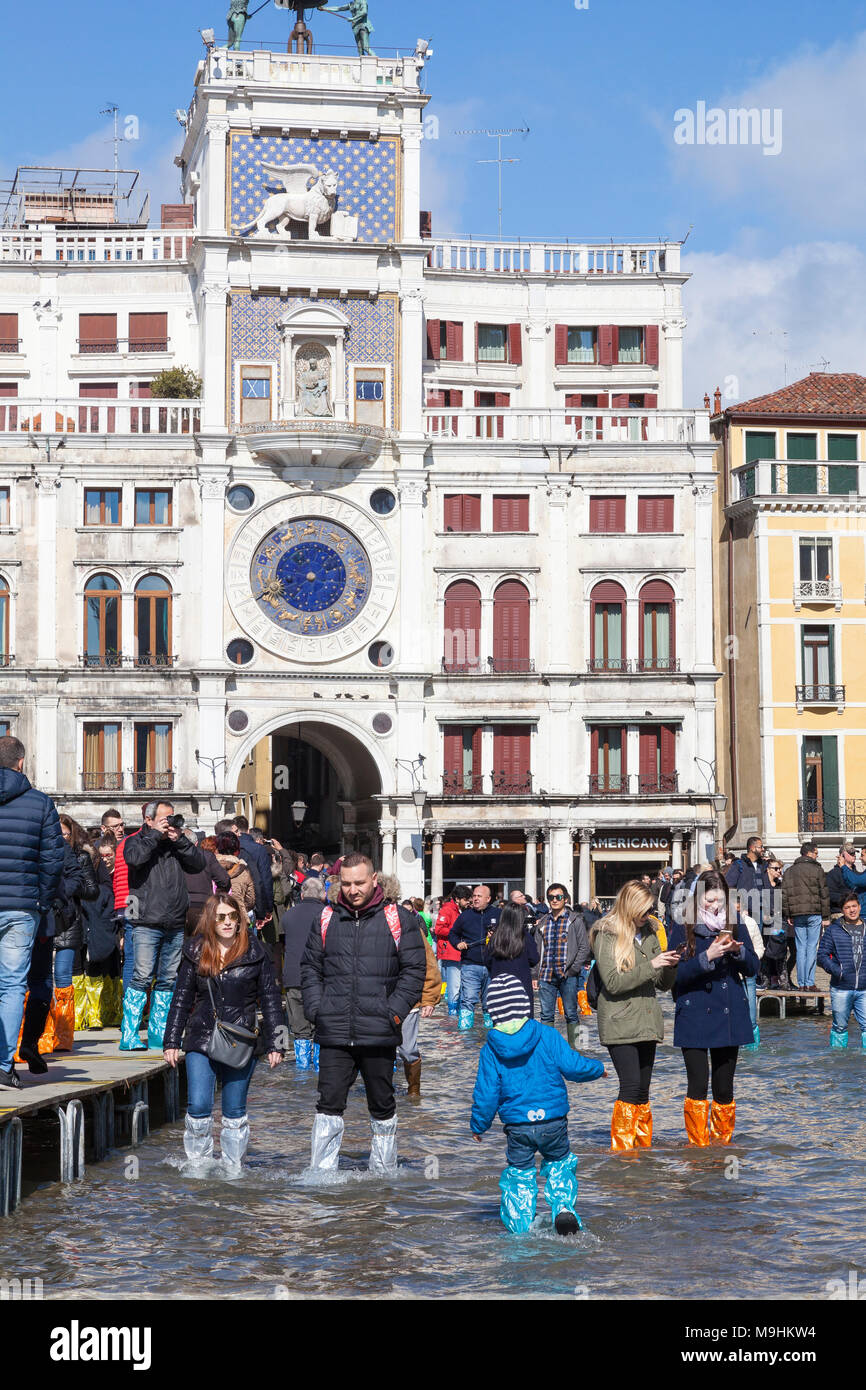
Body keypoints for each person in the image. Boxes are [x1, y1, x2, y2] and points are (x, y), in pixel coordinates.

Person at [300, 853, 426, 1174]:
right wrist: (317, 1010)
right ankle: (321, 1177)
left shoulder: (399, 919)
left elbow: (414, 972)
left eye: (359, 883)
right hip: (334, 1030)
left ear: (374, 880)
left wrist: (394, 1013)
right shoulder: (326, 917)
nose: (353, 889)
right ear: (338, 882)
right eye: (346, 883)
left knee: (382, 1105)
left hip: (380, 1030)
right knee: (328, 1106)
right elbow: (310, 968)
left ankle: (383, 1176)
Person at [470, 973, 606, 1235]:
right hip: (553, 1121)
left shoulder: (491, 1049)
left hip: (518, 1127)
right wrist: (597, 1069)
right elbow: (572, 1065)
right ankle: (564, 1208)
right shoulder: (547, 1034)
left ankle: (520, 1225)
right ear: (525, 1005)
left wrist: (478, 1126)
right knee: (559, 1165)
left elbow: (486, 1094)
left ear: (492, 1011)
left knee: (520, 1175)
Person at [163, 894, 283, 1173]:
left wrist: (278, 1043)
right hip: (202, 1036)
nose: (227, 922)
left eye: (232, 917)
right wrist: (171, 1040)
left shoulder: (257, 952)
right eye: (221, 917)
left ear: (240, 920)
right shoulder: (194, 951)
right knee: (199, 1104)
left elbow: (271, 1000)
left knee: (234, 1110)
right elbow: (181, 998)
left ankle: (232, 1169)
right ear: (210, 921)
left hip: (242, 1040)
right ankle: (198, 1167)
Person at [667, 870, 760, 1145]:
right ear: (698, 899)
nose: (715, 906)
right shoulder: (682, 926)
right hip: (694, 1011)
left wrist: (738, 952)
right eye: (709, 901)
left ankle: (721, 1147)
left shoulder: (734, 922)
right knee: (697, 1083)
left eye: (719, 900)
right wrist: (705, 958)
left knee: (724, 1086)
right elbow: (674, 976)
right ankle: (698, 1148)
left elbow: (754, 968)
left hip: (729, 1011)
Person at [591, 881, 680, 1150]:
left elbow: (663, 985)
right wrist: (651, 964)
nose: (649, 914)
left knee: (643, 1091)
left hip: (647, 1019)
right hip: (619, 1021)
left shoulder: (651, 930)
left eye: (652, 909)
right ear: (630, 907)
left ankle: (643, 1150)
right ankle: (622, 1152)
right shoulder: (606, 933)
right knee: (630, 1087)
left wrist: (670, 965)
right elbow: (613, 982)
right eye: (645, 910)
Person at [0, 736, 65, 1089]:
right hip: (21, 907)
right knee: (12, 986)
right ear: (21, 763)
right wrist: (39, 901)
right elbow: (54, 859)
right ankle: (3, 1064)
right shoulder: (40, 804)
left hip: (21, 905)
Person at [121, 801, 206, 1051]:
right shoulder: (134, 841)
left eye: (171, 817)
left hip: (175, 921)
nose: (169, 822)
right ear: (149, 820)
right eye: (164, 818)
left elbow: (199, 863)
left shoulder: (176, 845)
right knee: (142, 977)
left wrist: (179, 839)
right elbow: (135, 859)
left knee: (168, 980)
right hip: (146, 921)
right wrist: (156, 836)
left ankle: (159, 1035)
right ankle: (129, 1036)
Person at [54, 816, 99, 1037]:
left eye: (65, 834)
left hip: (68, 920)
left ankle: (64, 1032)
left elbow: (92, 891)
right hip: (45, 918)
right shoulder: (41, 855)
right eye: (58, 833)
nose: (61, 838)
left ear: (72, 835)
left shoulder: (81, 858)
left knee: (63, 975)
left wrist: (69, 886)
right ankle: (43, 1030)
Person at [395, 890, 442, 1100]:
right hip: (376, 999)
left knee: (407, 1049)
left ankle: (414, 1091)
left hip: (409, 999)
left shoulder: (410, 925)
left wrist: (429, 998)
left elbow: (429, 962)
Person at [532, 884, 591, 1048]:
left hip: (568, 975)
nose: (555, 900)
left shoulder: (575, 920)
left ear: (565, 899)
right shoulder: (542, 922)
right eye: (551, 897)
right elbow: (537, 950)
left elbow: (584, 947)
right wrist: (534, 974)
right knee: (546, 1015)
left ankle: (579, 1048)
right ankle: (547, 1050)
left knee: (572, 1014)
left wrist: (573, 969)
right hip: (546, 975)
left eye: (558, 897)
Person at [282, 875, 327, 1069]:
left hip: (293, 976)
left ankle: (302, 1073)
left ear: (301, 894)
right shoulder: (327, 914)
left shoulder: (288, 915)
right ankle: (318, 1068)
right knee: (320, 1027)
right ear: (322, 895)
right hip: (320, 977)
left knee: (299, 1029)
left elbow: (282, 945)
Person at [80, 837, 123, 1029]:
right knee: (90, 969)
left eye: (109, 855)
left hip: (106, 927)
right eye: (102, 855)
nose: (106, 859)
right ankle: (92, 1014)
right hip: (90, 927)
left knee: (108, 969)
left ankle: (107, 1012)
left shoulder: (105, 882)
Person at [448, 883, 500, 1031]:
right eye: (474, 896)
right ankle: (465, 1036)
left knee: (490, 1002)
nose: (475, 899)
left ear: (488, 899)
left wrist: (497, 936)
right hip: (470, 965)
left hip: (493, 965)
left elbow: (509, 934)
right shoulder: (465, 915)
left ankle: (490, 1034)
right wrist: (457, 943)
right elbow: (453, 933)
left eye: (479, 896)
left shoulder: (498, 914)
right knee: (468, 1000)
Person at [817, 892, 866, 1049]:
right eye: (847, 907)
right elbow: (822, 956)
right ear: (842, 910)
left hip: (865, 990)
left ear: (859, 907)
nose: (852, 910)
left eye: (854, 906)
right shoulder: (834, 930)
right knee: (839, 1027)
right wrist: (838, 971)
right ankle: (838, 1063)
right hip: (841, 988)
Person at [781, 840, 830, 991]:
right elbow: (824, 894)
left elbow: (784, 895)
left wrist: (788, 914)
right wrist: (826, 916)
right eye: (816, 853)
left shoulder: (789, 871)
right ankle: (809, 982)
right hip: (814, 913)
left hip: (797, 914)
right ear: (809, 853)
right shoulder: (817, 870)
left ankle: (802, 983)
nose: (817, 856)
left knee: (800, 948)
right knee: (811, 947)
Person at [484, 903, 540, 1016]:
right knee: (524, 1024)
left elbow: (487, 960)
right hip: (521, 987)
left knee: (501, 1023)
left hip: (498, 987)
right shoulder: (525, 937)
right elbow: (534, 959)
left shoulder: (495, 938)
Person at [228, 815, 274, 931]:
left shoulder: (228, 846)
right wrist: (267, 908)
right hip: (251, 904)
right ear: (248, 830)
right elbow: (264, 880)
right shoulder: (259, 849)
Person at [182, 828, 230, 936]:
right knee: (202, 944)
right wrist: (218, 896)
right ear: (196, 843)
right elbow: (224, 880)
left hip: (179, 907)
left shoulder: (173, 856)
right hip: (202, 905)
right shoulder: (207, 856)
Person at [434, 885, 470, 1017]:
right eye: (466, 899)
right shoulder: (447, 909)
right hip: (450, 952)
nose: (468, 902)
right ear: (457, 899)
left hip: (461, 952)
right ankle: (452, 1013)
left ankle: (459, 1011)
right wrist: (457, 932)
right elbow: (438, 929)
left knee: (461, 985)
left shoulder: (463, 910)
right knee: (454, 985)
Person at [725, 836, 769, 924]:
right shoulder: (739, 865)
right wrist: (738, 903)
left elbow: (767, 886)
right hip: (744, 909)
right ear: (752, 848)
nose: (763, 849)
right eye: (760, 847)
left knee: (757, 936)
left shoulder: (763, 865)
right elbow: (729, 885)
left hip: (760, 909)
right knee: (746, 936)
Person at [212, 833, 256, 917]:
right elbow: (250, 900)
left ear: (217, 848)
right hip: (237, 916)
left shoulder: (208, 867)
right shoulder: (243, 871)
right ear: (236, 849)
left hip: (214, 916)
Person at [841, 846, 866, 922]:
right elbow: (854, 885)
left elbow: (856, 881)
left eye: (862, 855)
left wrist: (843, 867)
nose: (860, 858)